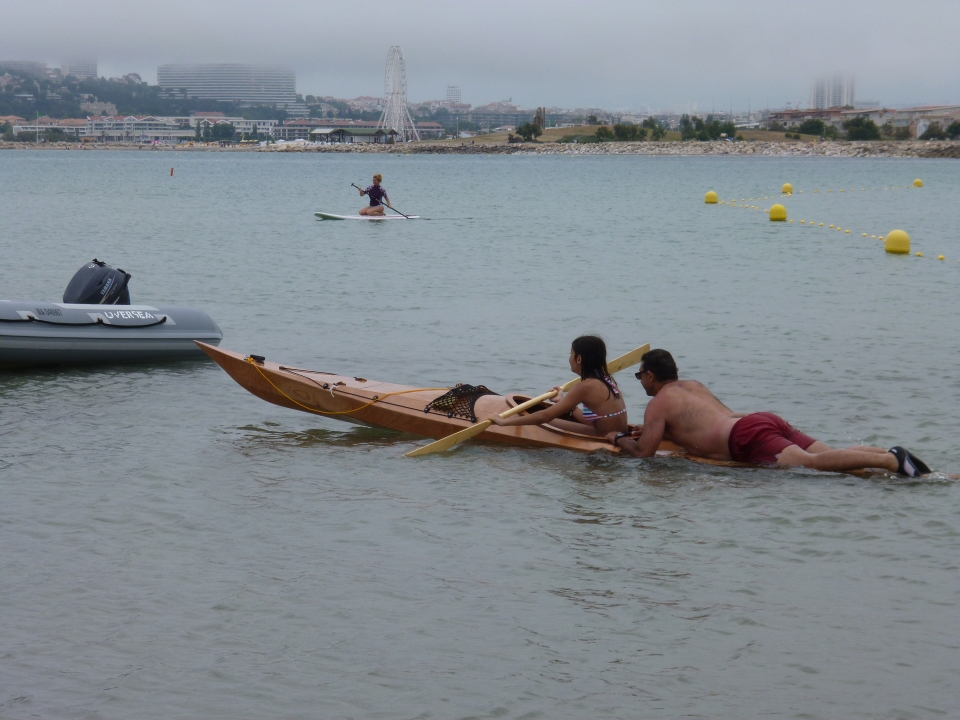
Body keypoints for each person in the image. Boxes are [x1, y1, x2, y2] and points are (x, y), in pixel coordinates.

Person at [607, 349, 931, 477]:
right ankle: (899, 458)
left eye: (640, 376)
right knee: (832, 454)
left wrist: (619, 439)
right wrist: (650, 430)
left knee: (815, 466)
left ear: (650, 375)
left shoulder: (658, 403)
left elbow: (645, 453)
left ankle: (889, 461)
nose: (640, 382)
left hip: (746, 436)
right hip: (760, 420)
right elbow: (695, 423)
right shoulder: (693, 386)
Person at [488, 336, 629, 437]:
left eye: (571, 353)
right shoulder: (607, 379)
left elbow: (545, 416)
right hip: (618, 432)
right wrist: (562, 401)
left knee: (546, 422)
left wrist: (504, 422)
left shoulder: (584, 387)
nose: (569, 357)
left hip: (603, 435)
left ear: (579, 359)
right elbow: (597, 418)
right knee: (554, 418)